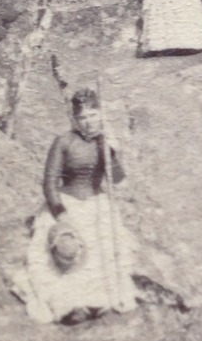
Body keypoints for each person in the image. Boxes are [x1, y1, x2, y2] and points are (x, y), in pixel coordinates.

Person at [23, 88, 137, 324]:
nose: (88, 122)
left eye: (93, 115)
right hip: (68, 203)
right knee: (66, 253)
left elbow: (117, 180)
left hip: (98, 203)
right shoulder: (63, 142)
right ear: (75, 119)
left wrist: (112, 152)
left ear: (101, 114)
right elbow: (49, 180)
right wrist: (60, 214)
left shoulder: (105, 142)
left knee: (104, 250)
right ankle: (70, 305)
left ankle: (99, 302)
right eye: (82, 118)